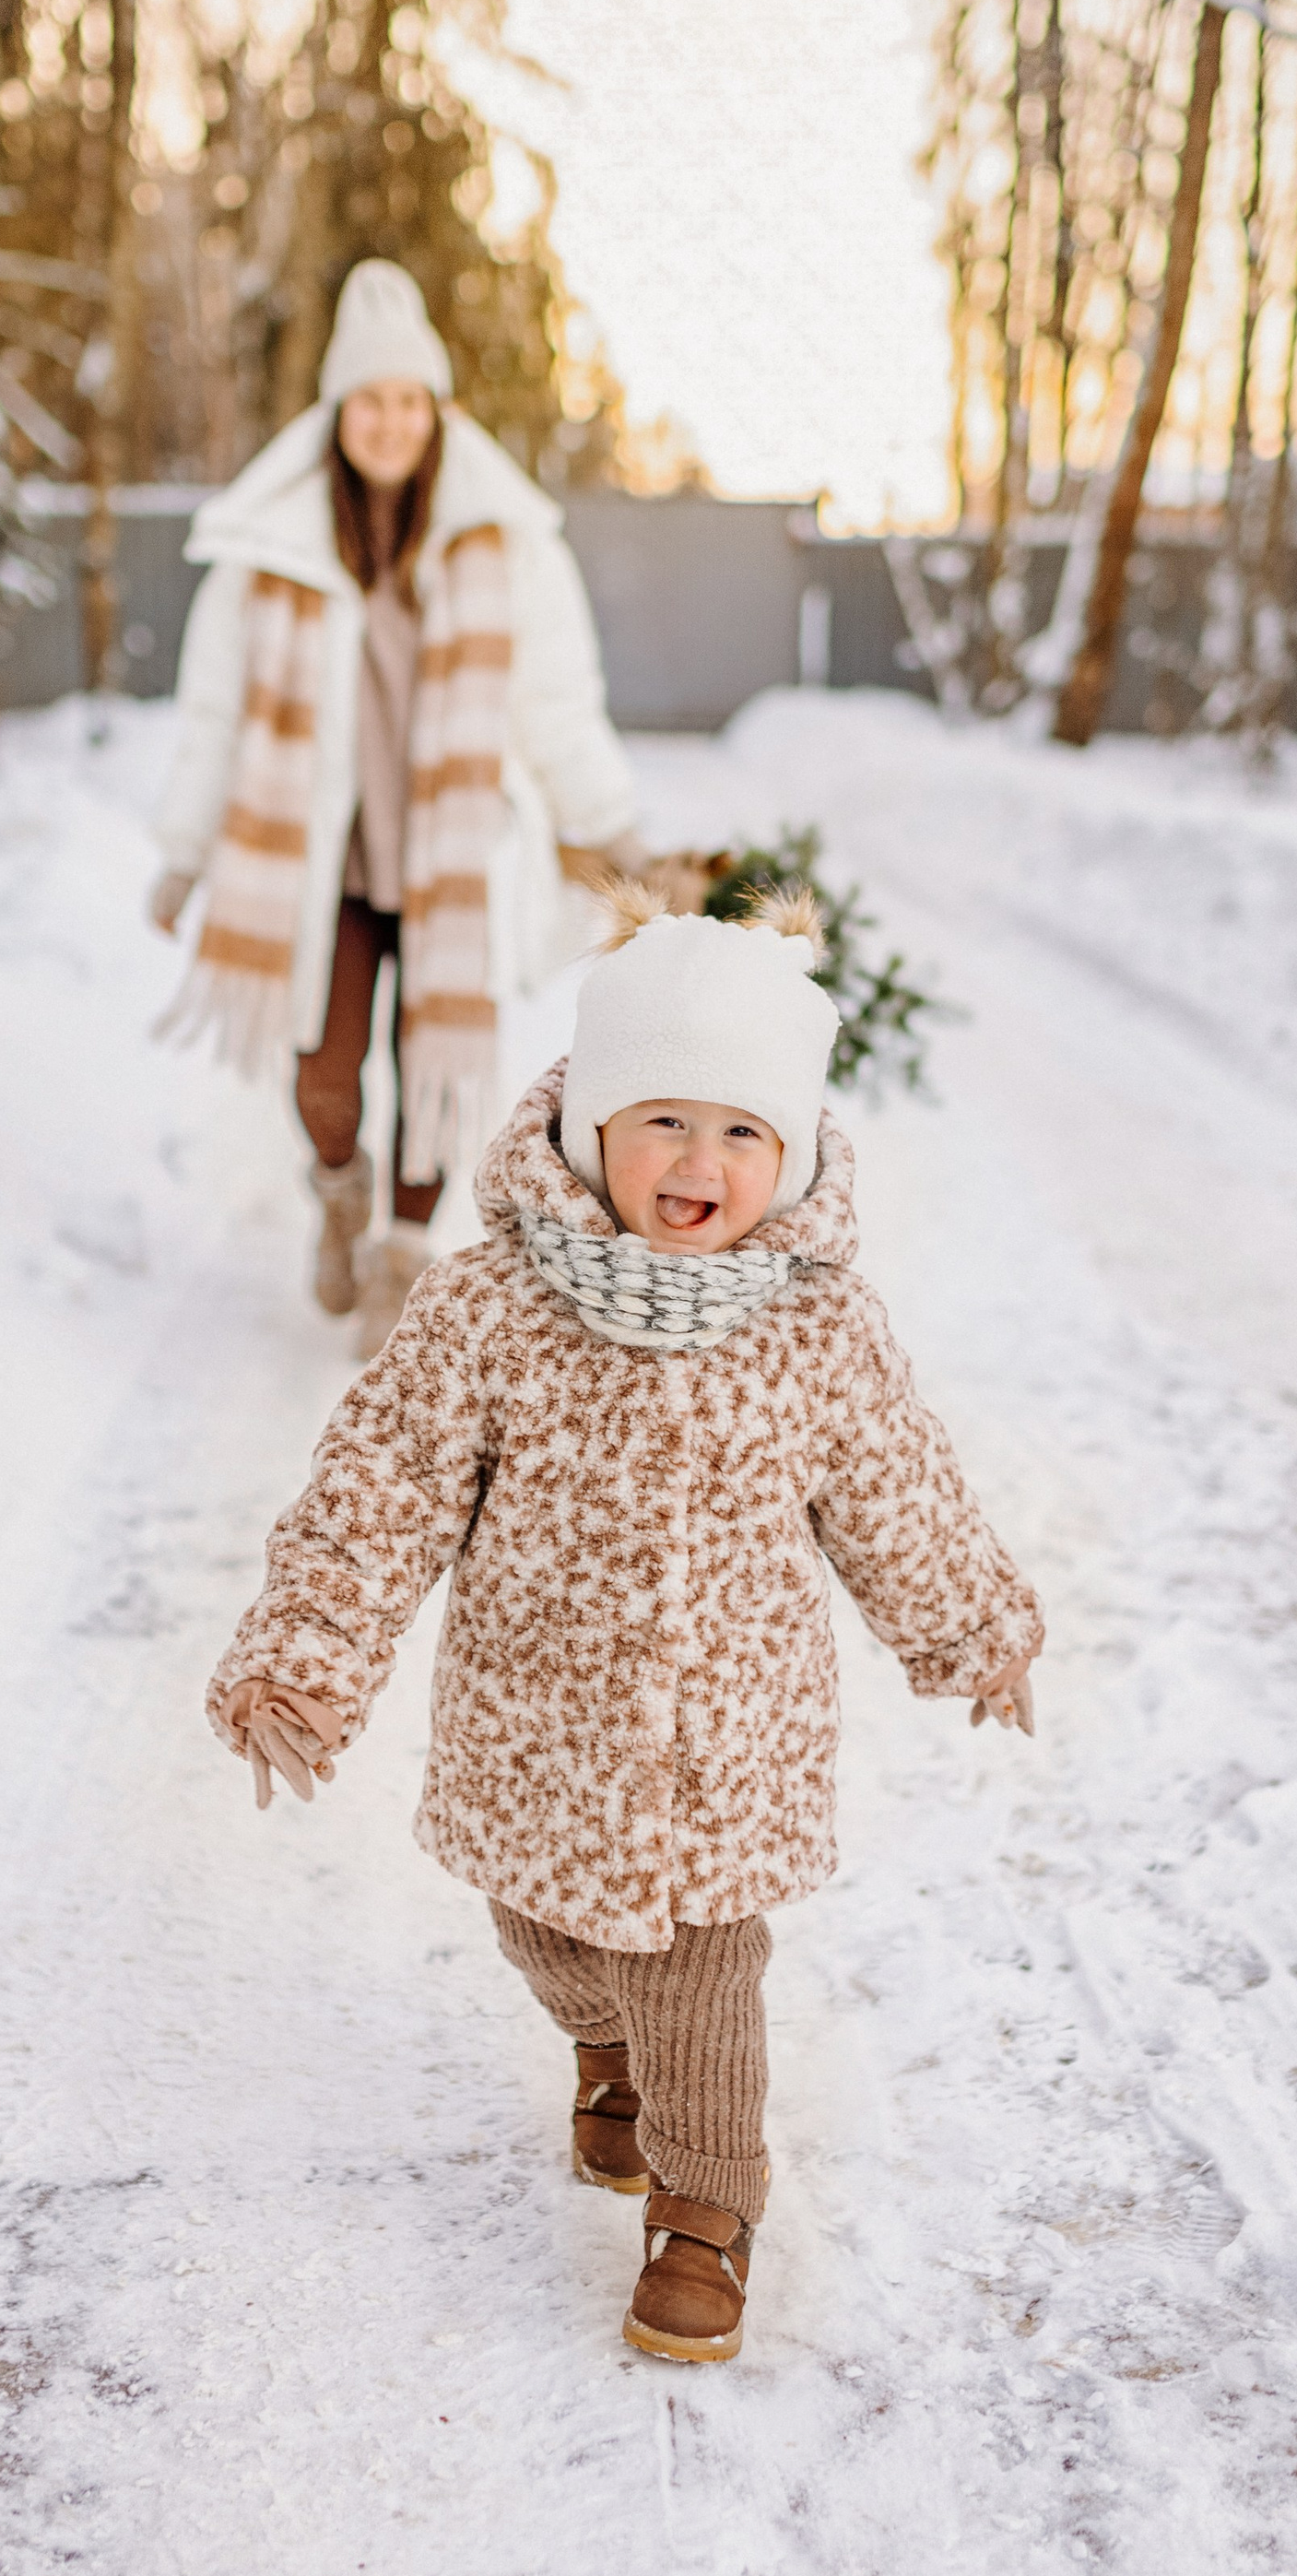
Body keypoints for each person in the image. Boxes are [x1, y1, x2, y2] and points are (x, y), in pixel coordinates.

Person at [202, 884, 1043, 2365]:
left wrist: (973, 1623)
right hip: (537, 1730)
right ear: (592, 1126)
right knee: (545, 1931)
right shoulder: (491, 1307)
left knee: (701, 1979)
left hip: (729, 1744)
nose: (700, 1163)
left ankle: (706, 2204)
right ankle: (603, 2045)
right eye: (664, 1121)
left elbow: (897, 1490)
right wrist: (305, 1662)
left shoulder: (818, 1326)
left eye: (741, 1131)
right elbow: (379, 1491)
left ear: (791, 1151)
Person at [150, 259, 644, 1355]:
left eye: (408, 400)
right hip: (320, 865)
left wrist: (613, 829)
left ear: (438, 410)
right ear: (337, 413)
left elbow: (557, 705)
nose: (389, 421)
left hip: (449, 862)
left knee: (434, 1068)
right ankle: (339, 1191)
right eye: (368, 400)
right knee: (324, 1074)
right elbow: (214, 713)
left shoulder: (506, 549)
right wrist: (184, 853)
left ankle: (401, 1260)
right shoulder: (271, 550)